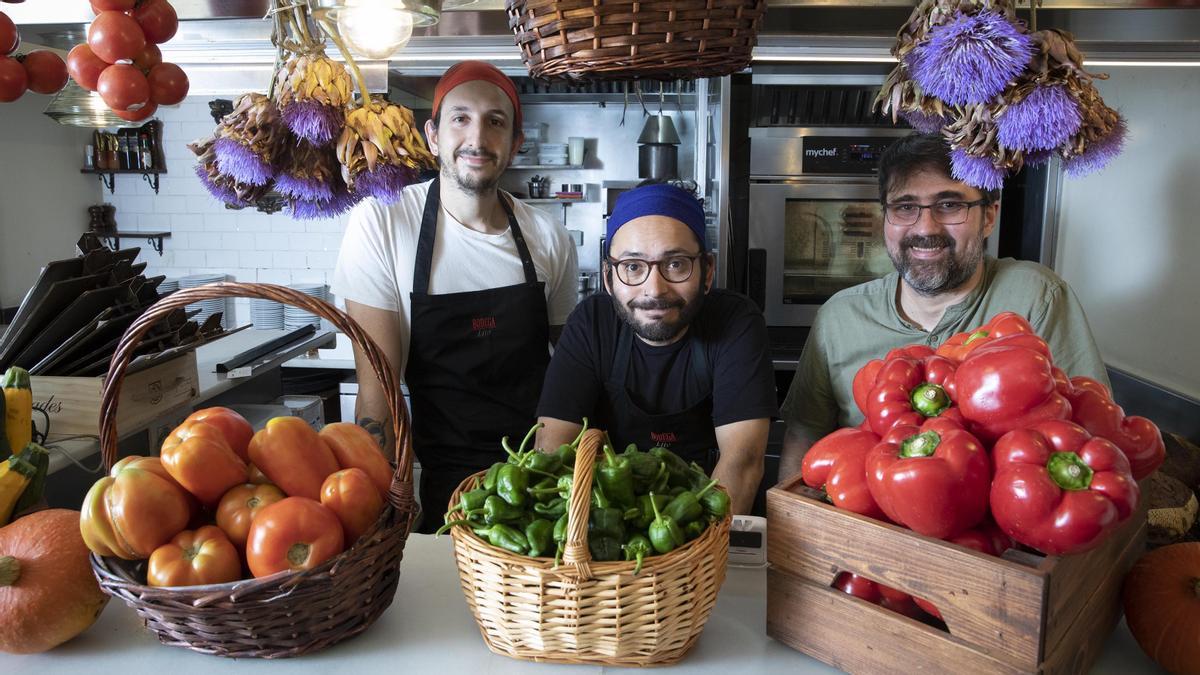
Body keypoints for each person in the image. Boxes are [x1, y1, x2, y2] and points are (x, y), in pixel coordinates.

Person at [331, 61, 578, 531]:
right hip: (442, 487)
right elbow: (379, 394)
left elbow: (574, 371)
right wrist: (379, 514)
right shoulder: (383, 223)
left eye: (495, 122)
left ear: (515, 144)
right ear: (433, 135)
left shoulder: (547, 235)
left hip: (543, 486)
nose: (477, 138)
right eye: (460, 118)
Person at [778, 132, 1108, 479]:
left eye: (950, 205)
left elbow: (1094, 438)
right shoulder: (840, 317)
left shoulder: (1037, 299)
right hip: (863, 527)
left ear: (990, 216)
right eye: (905, 207)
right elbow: (804, 438)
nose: (925, 228)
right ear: (885, 219)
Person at [536, 183, 776, 514]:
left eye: (676, 264)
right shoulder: (591, 324)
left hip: (707, 526)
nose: (655, 289)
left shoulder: (736, 321)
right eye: (633, 266)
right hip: (609, 526)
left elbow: (743, 463)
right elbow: (550, 451)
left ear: (707, 272)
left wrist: (692, 557)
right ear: (608, 279)